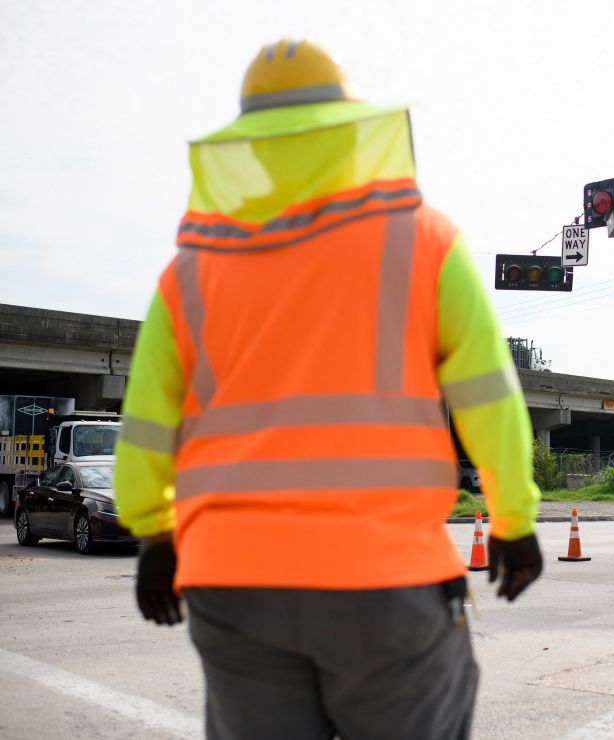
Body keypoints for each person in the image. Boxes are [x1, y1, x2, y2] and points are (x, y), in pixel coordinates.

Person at [114, 38, 542, 740]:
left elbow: (147, 423)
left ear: (248, 147)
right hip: (385, 581)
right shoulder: (424, 241)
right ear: (350, 134)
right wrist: (512, 519)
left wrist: (153, 535)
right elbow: (488, 399)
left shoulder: (189, 273)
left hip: (230, 582)